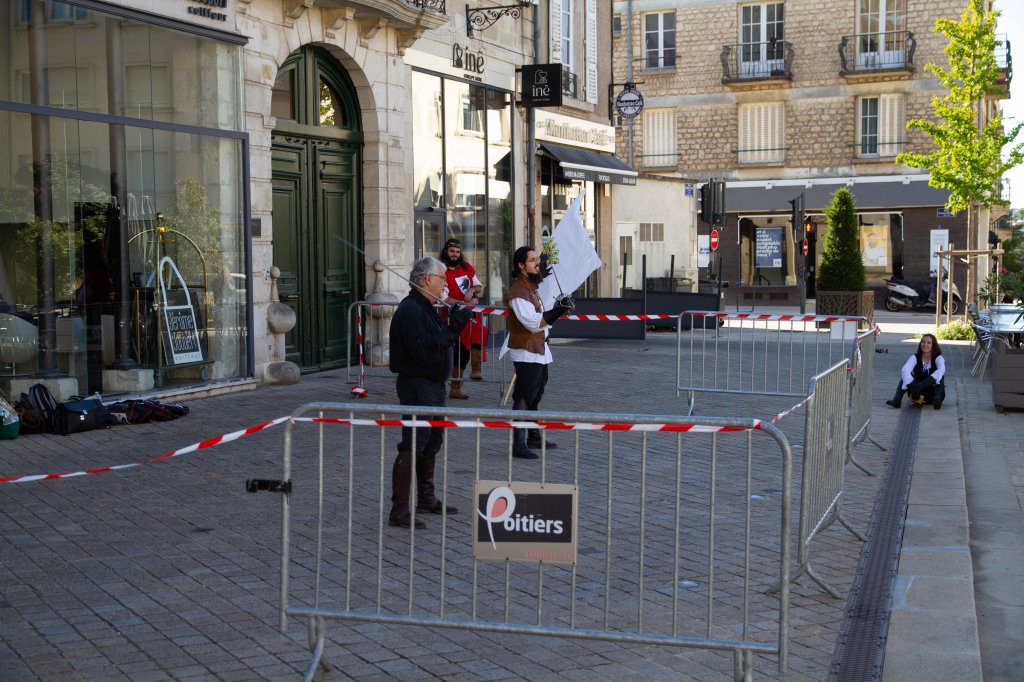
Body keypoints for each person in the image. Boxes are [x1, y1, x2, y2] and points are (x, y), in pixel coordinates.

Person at [388, 256, 473, 529]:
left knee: (432, 441)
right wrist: (453, 329)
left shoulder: (427, 307)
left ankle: (425, 498)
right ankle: (399, 510)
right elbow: (424, 350)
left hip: (434, 386)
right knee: (413, 443)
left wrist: (452, 326)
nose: (445, 284)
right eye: (441, 279)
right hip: (417, 385)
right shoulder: (411, 309)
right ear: (427, 279)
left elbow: (435, 343)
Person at [503, 245, 573, 459]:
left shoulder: (531, 289)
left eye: (537, 259)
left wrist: (558, 308)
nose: (538, 263)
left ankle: (533, 436)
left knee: (536, 393)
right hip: (526, 350)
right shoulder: (518, 292)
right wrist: (558, 311)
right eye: (532, 260)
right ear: (521, 265)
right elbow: (533, 323)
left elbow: (540, 319)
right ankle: (518, 443)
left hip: (538, 349)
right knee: (524, 395)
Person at [439, 238, 488, 399]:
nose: (455, 255)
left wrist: (472, 290)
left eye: (457, 252)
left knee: (472, 342)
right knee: (459, 352)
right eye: (452, 251)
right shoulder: (441, 270)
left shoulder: (466, 267)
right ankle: (455, 386)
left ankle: (474, 370)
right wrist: (465, 303)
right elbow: (444, 298)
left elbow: (479, 286)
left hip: (470, 316)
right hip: (452, 317)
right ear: (446, 251)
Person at [886, 333, 946, 410]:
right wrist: (914, 388)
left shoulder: (938, 358)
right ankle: (897, 400)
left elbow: (942, 369)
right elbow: (905, 370)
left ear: (933, 345)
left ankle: (937, 399)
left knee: (940, 374)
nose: (925, 344)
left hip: (933, 397)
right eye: (923, 342)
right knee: (905, 373)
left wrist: (921, 385)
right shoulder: (915, 357)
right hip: (917, 396)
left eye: (928, 343)